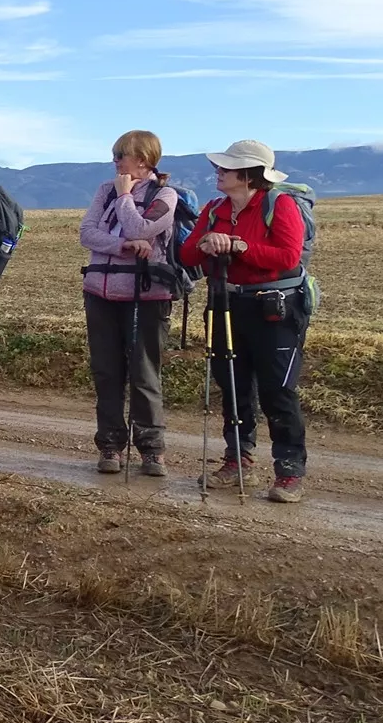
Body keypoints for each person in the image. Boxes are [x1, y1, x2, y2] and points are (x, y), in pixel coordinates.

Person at [179, 139, 311, 504]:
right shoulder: (213, 210)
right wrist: (207, 240)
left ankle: (289, 470)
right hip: (227, 304)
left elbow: (287, 256)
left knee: (277, 390)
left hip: (275, 308)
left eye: (226, 167)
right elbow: (187, 253)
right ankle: (237, 460)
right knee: (233, 387)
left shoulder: (280, 205)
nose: (218, 172)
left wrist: (238, 246)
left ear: (249, 175)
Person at [79, 130, 179, 477]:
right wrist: (121, 246)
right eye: (115, 155)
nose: (116, 162)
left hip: (146, 297)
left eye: (122, 155)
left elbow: (142, 227)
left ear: (143, 159)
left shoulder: (164, 194)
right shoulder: (104, 190)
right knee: (106, 372)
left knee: (144, 373)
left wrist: (125, 198)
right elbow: (86, 233)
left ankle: (152, 450)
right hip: (100, 293)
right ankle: (109, 445)